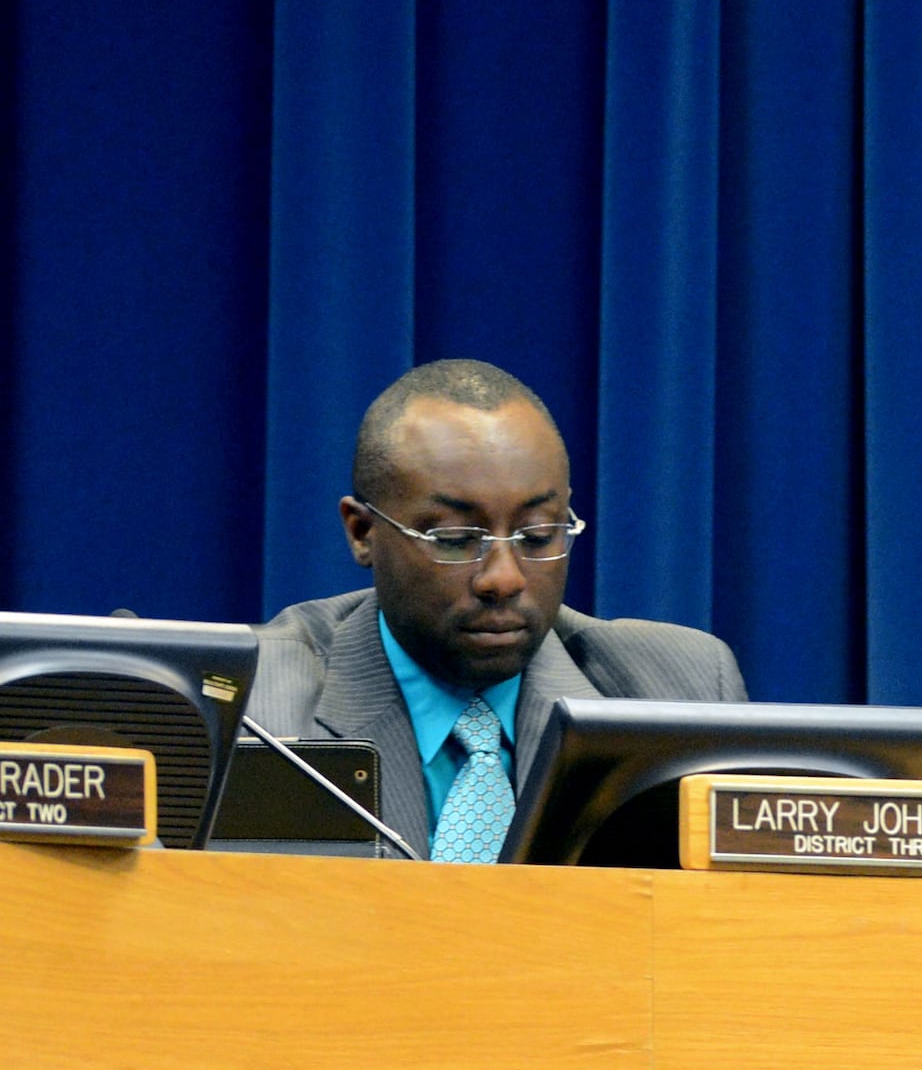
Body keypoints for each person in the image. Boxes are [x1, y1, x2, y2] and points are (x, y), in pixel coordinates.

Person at [247, 360, 747, 861]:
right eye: (457, 540)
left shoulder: (684, 695)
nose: (504, 578)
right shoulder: (251, 710)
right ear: (362, 532)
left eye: (536, 536)